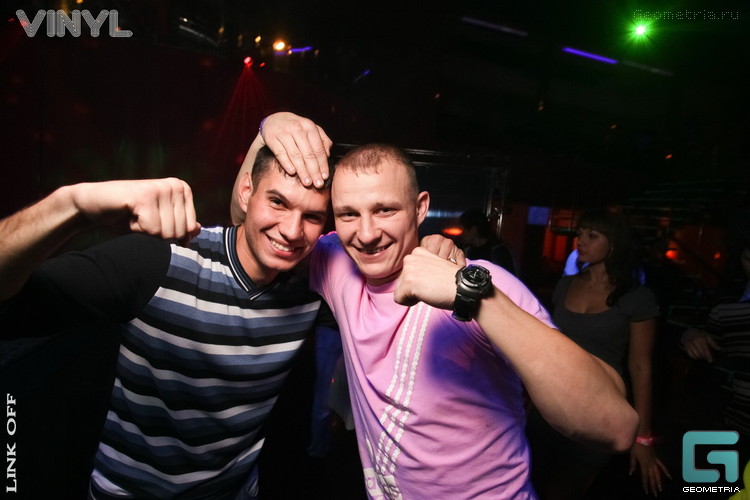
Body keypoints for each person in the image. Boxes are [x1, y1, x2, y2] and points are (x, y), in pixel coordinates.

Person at [239, 136, 638, 498]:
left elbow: (614, 427)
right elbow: (250, 226)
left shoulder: (485, 281)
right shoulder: (336, 264)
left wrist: (474, 297)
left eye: (385, 210)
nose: (367, 233)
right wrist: (266, 131)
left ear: (420, 208)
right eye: (348, 214)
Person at [0, 134, 333, 497]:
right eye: (277, 202)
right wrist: (73, 204)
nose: (292, 230)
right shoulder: (162, 260)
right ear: (245, 192)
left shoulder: (316, 287)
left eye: (312, 216)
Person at [527, 208, 669, 499]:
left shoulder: (637, 298)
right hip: (550, 409)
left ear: (613, 243)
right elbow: (547, 347)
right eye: (580, 234)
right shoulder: (565, 285)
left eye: (592, 236)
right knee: (529, 487)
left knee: (563, 492)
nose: (581, 241)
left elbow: (641, 367)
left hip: (599, 414)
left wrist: (643, 436)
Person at [681, 230, 750, 468]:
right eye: (749, 259)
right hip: (733, 426)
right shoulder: (727, 305)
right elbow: (702, 340)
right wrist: (690, 335)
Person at [458, 208, 518, 275]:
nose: (461, 234)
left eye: (463, 230)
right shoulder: (468, 251)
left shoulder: (500, 252)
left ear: (473, 230)